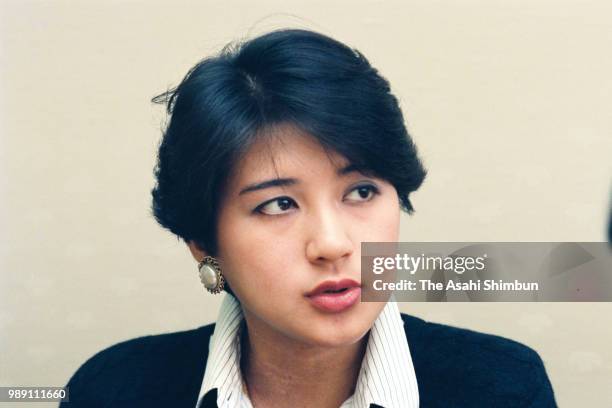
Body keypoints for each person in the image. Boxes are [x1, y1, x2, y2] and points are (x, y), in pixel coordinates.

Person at [60, 29, 556, 408]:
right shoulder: (113, 389)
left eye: (362, 191)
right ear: (203, 240)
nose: (333, 244)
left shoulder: (501, 387)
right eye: (278, 204)